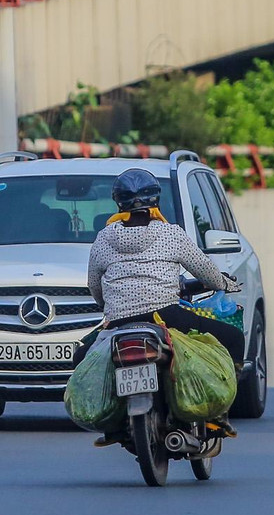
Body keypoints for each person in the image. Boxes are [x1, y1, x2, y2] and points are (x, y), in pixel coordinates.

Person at [84, 168, 245, 441]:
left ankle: (112, 423)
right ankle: (219, 412)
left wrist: (109, 309)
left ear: (118, 202)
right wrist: (223, 284)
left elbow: (94, 286)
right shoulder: (171, 234)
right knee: (234, 337)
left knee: (81, 358)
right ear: (155, 200)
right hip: (166, 316)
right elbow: (204, 270)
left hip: (120, 323)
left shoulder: (103, 238)